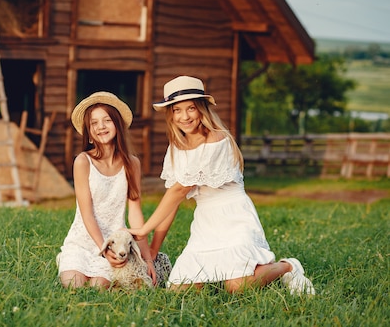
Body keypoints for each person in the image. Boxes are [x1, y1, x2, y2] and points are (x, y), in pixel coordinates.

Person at [129, 76, 315, 295]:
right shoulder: (176, 148)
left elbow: (179, 190)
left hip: (233, 217)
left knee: (236, 286)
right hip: (205, 222)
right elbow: (173, 202)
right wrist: (153, 249)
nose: (184, 116)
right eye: (177, 110)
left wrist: (144, 229)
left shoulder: (217, 140)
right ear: (170, 114)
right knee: (178, 291)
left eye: (191, 108)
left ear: (202, 109)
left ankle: (288, 266)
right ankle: (229, 272)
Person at [57, 92, 157, 288]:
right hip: (85, 241)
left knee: (98, 286)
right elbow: (87, 215)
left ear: (117, 125)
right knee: (73, 284)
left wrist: (147, 259)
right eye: (94, 123)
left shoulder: (132, 164)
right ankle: (66, 258)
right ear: (89, 131)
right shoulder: (83, 162)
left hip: (116, 243)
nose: (101, 127)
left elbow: (135, 214)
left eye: (107, 120)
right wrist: (104, 250)